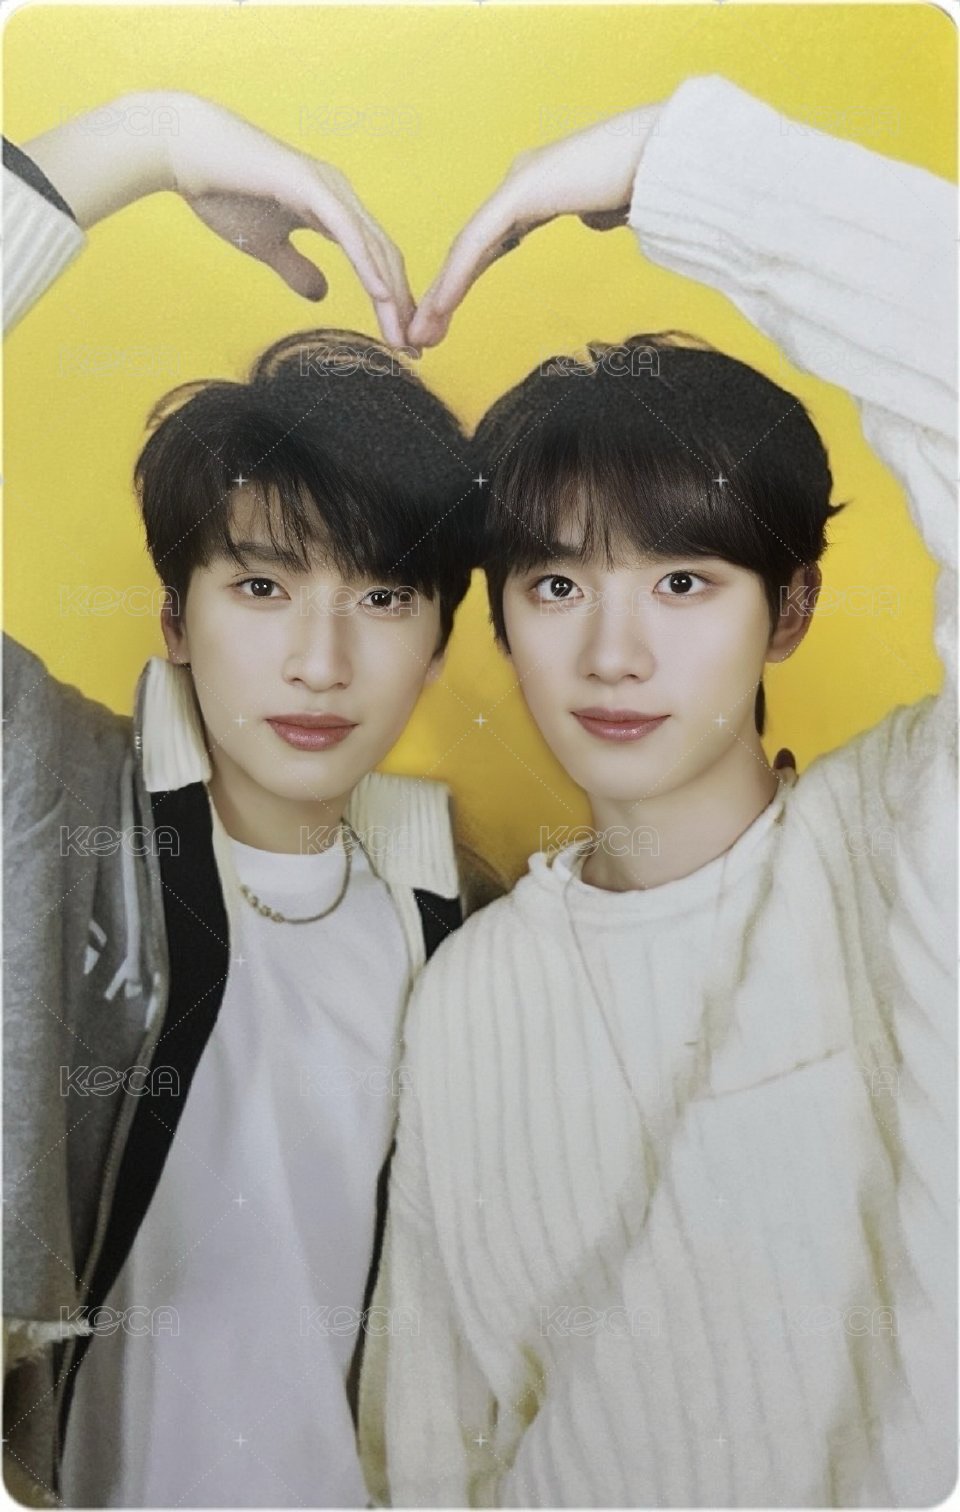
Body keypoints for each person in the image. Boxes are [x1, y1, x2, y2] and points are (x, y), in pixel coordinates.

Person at [358, 74, 956, 1506]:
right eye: (557, 585)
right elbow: (424, 1446)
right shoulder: (463, 998)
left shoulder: (910, 834)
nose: (613, 653)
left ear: (792, 607)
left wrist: (673, 162)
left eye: (684, 582)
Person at [3, 92, 499, 1508]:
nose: (322, 661)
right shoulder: (47, 802)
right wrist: (144, 145)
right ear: (175, 618)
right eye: (264, 586)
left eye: (384, 597)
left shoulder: (472, 926)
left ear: (439, 639)